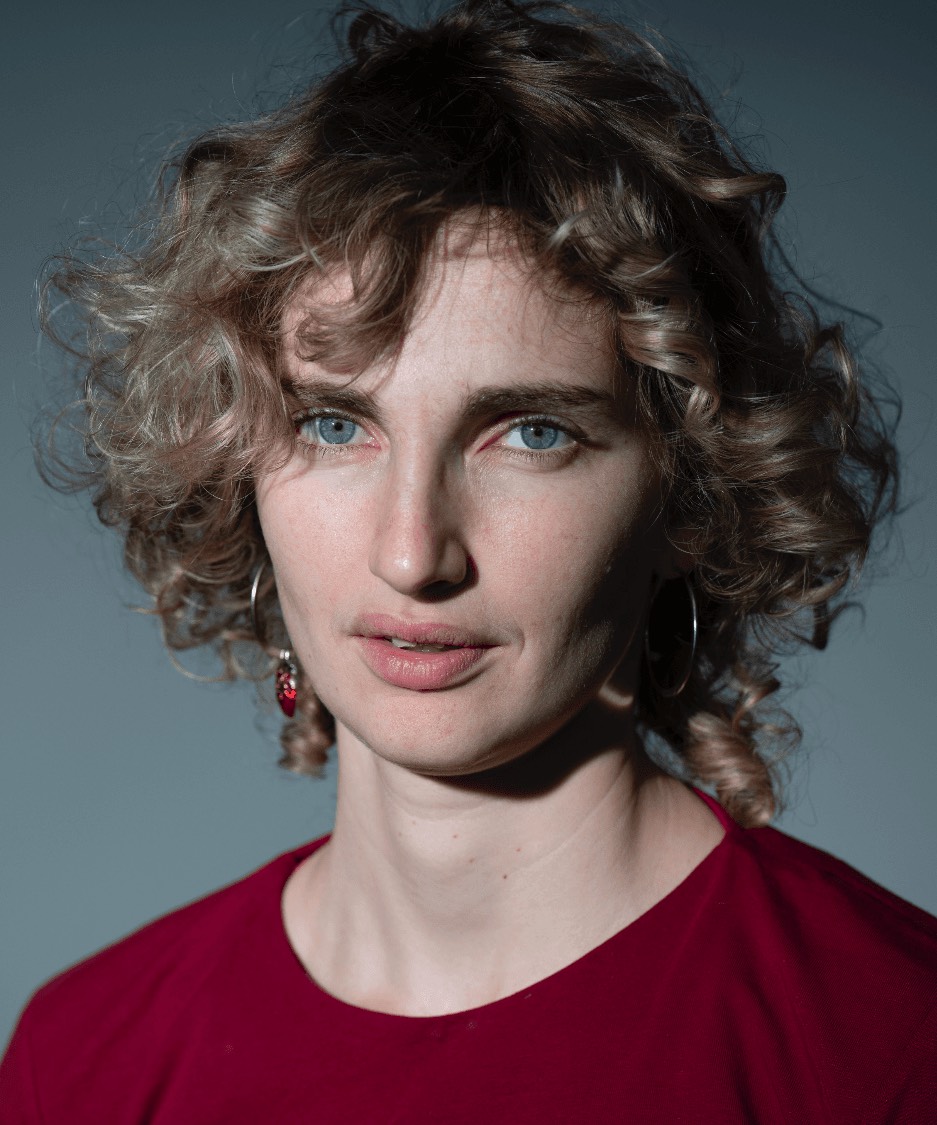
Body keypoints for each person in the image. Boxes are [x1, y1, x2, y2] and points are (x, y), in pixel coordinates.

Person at [1, 0, 934, 1120]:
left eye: (531, 433)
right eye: (334, 425)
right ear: (233, 468)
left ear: (689, 492)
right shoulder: (84, 1061)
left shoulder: (891, 1044)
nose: (412, 553)